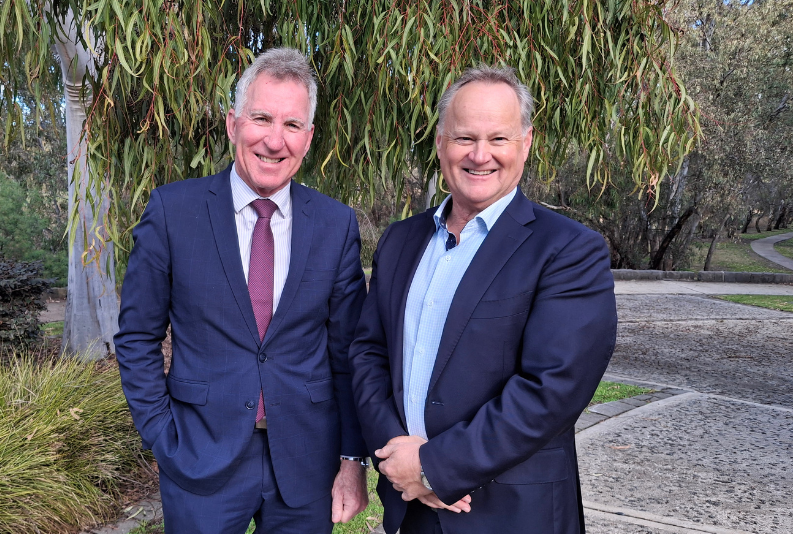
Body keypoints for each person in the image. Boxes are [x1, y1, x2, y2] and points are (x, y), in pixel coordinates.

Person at [349, 65, 618, 534]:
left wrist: (436, 466)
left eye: (499, 139)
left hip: (509, 514)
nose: (480, 155)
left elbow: (552, 388)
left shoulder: (569, 250)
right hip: (410, 508)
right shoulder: (399, 241)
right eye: (464, 138)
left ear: (526, 143)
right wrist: (396, 453)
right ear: (439, 143)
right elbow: (369, 352)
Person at [114, 47, 369, 534]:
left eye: (292, 125)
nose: (275, 140)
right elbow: (137, 337)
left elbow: (349, 352)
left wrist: (352, 459)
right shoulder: (173, 212)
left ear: (309, 138)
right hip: (199, 458)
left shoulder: (336, 224)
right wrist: (162, 435)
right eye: (261, 118)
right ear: (233, 124)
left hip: (305, 464)